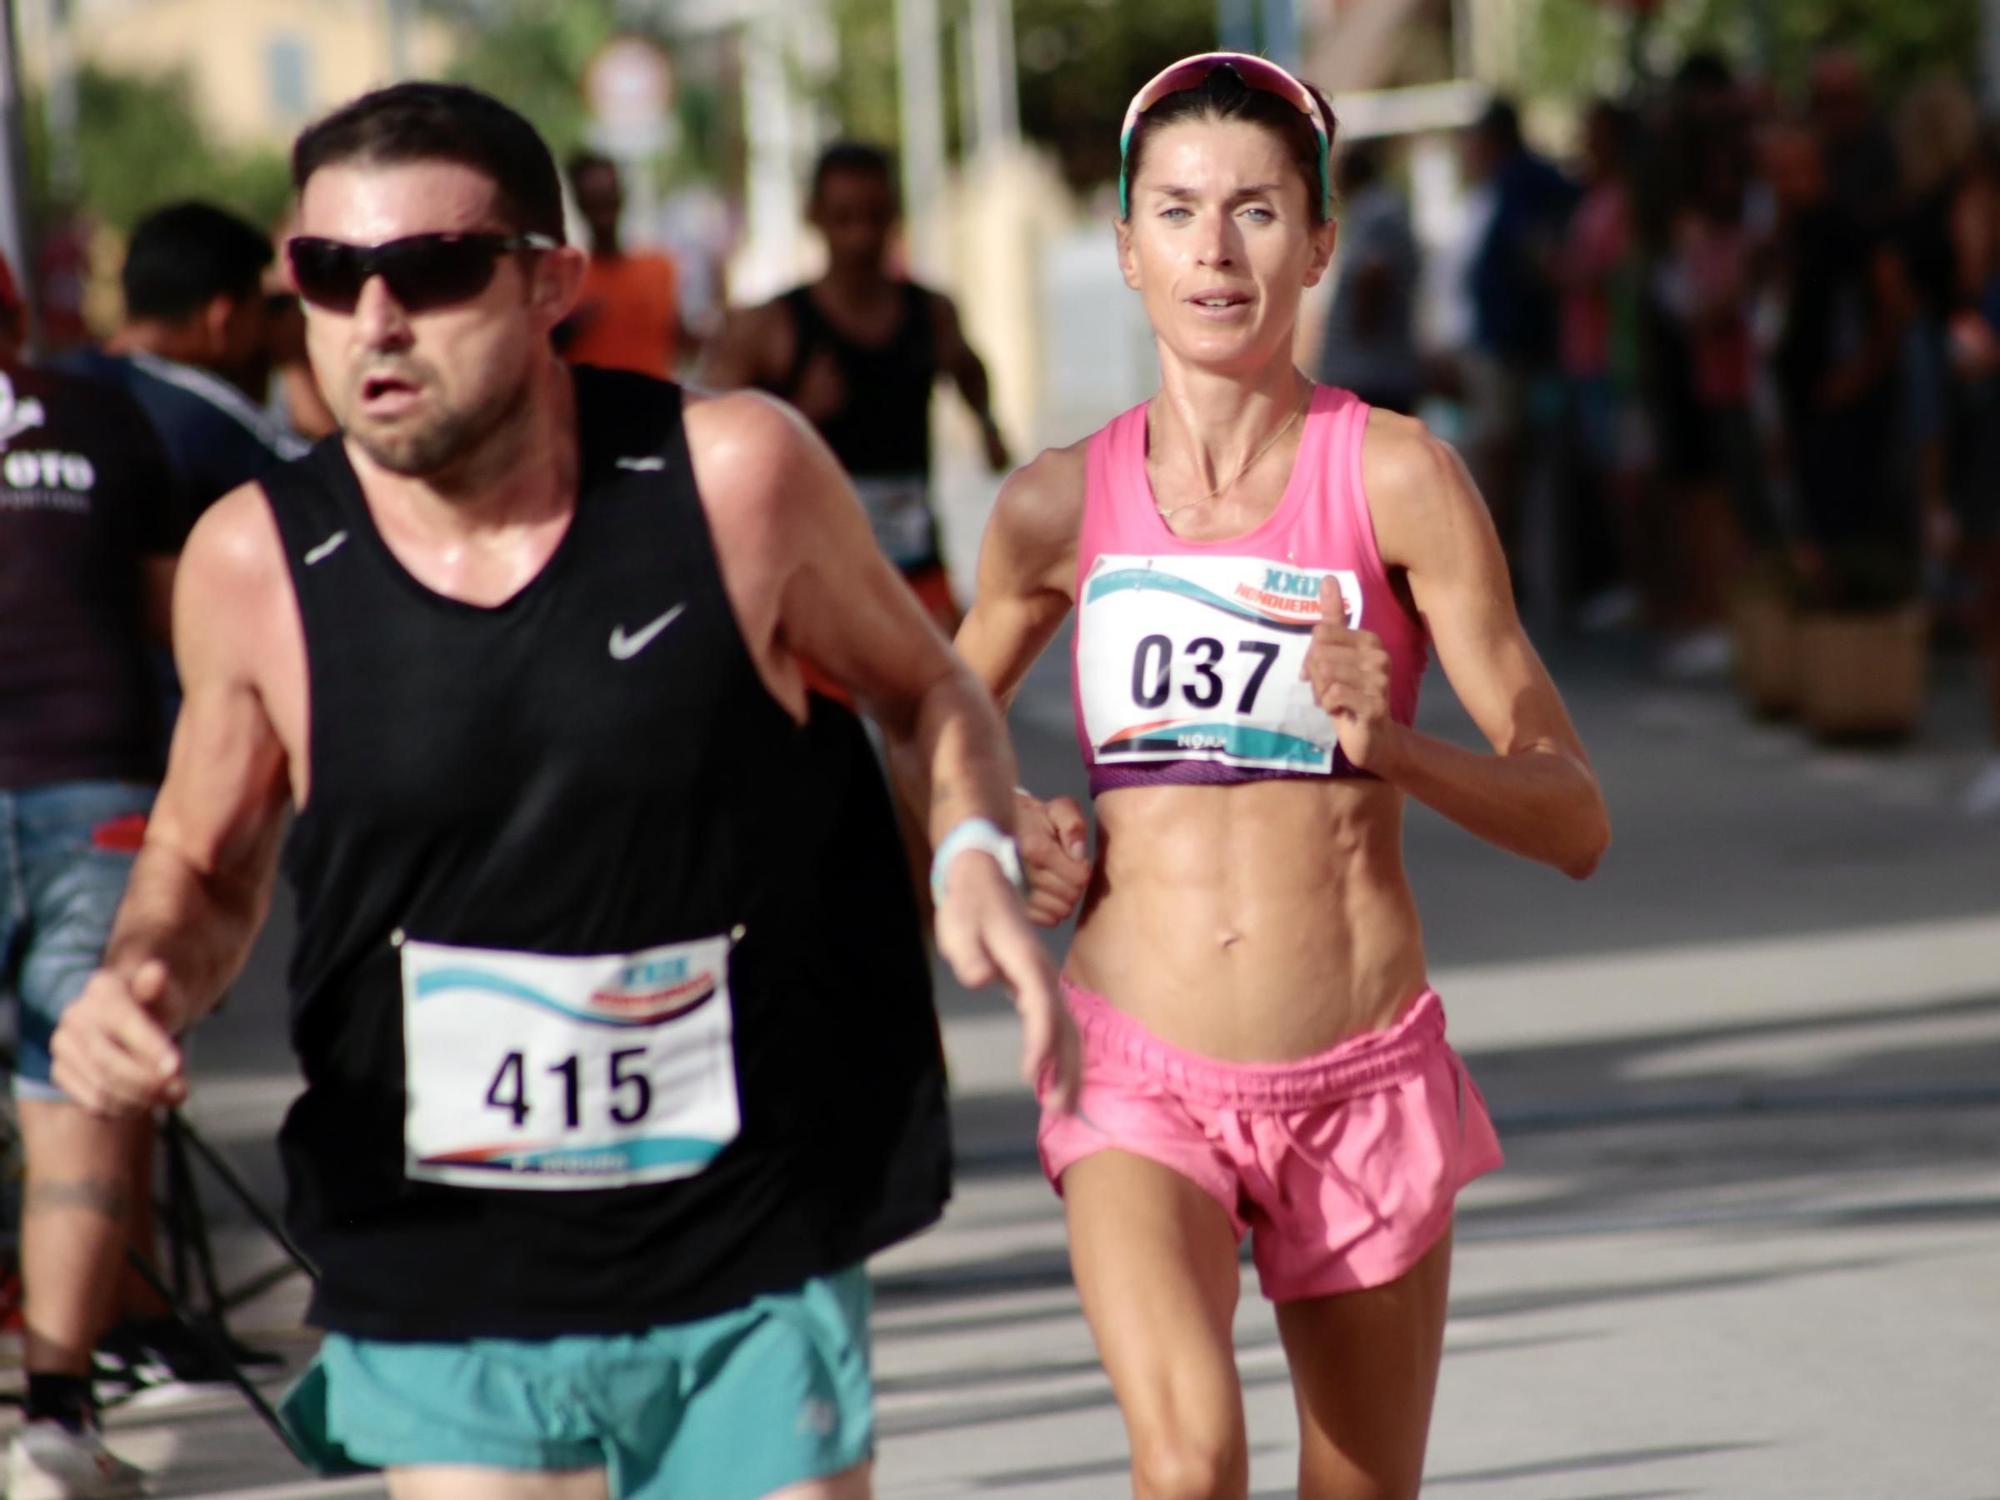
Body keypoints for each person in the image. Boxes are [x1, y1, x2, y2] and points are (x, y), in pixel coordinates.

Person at [48, 80, 1077, 1500]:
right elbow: (208, 862)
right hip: (439, 1247)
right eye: (330, 278)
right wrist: (140, 979)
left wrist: (969, 847)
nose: (377, 321)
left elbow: (925, 687)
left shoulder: (732, 478)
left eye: (434, 269)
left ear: (551, 283)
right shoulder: (254, 562)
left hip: (744, 1231)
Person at [954, 54, 1609, 1499]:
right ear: (1126, 248)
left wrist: (1393, 747)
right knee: (1187, 1467)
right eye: (1178, 211)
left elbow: (1574, 817)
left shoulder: (1396, 482)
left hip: (1362, 1075)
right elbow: (927, 724)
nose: (1215, 247)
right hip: (1135, 1069)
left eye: (1257, 210)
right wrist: (996, 822)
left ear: (1319, 242)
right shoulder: (1057, 503)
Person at [0, 249, 181, 1497]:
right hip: (97, 785)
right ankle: (56, 1421)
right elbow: (182, 623)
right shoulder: (102, 416)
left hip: (82, 788)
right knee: (77, 1092)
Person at [701, 141, 1010, 633]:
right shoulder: (772, 327)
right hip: (811, 578)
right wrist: (796, 414)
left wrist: (989, 427)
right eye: (844, 219)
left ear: (895, 217)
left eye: (875, 217)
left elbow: (969, 368)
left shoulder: (930, 313)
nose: (862, 238)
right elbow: (708, 436)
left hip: (914, 567)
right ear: (814, 217)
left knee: (953, 697)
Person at [56, 200, 307, 530]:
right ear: (223, 319)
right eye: (262, 309)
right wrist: (297, 363)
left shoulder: (54, 380)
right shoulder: (202, 412)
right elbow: (323, 488)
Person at [559, 151, 694, 379]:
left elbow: (684, 340)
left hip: (655, 407)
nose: (603, 209)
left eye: (608, 196)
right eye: (594, 199)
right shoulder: (564, 275)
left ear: (621, 198)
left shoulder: (659, 267)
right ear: (580, 204)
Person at [1314, 139, 1422, 416]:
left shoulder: (1376, 209)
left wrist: (1360, 327)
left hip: (1372, 371)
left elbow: (1373, 272)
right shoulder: (1381, 207)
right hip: (1377, 367)